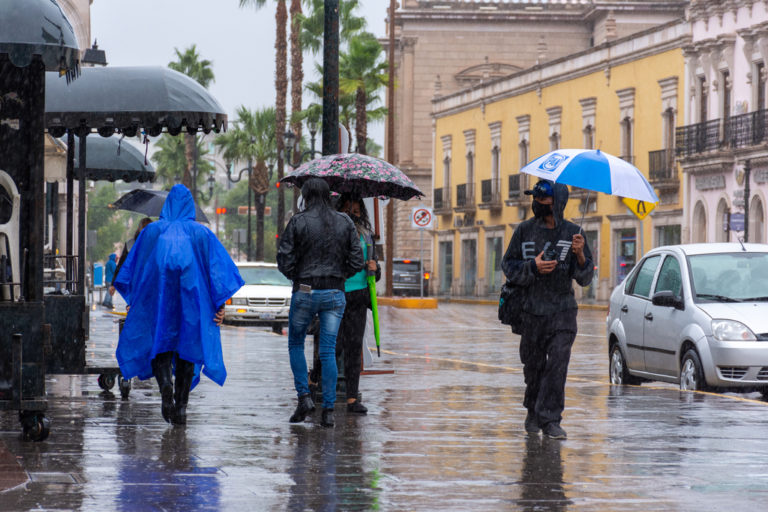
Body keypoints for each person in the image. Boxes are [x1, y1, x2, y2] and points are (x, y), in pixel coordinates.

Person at [113, 185, 244, 425]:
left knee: (161, 345)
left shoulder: (152, 231)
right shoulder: (201, 234)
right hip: (192, 303)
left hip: (159, 302)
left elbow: (135, 268)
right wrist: (220, 305)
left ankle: (165, 386)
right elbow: (218, 271)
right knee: (188, 350)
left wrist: (136, 301)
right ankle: (181, 405)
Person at [501, 179, 594, 440]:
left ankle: (551, 419)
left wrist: (580, 256)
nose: (540, 207)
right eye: (537, 203)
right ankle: (533, 409)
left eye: (546, 203)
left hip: (563, 311)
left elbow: (585, 278)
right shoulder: (524, 231)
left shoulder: (575, 233)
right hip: (531, 311)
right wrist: (532, 267)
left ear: (558, 205)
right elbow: (508, 266)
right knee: (533, 367)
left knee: (558, 364)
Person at [277, 178, 364, 428]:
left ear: (306, 196)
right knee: (327, 352)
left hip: (305, 289)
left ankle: (304, 396)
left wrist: (298, 276)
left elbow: (284, 258)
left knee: (295, 343)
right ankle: (327, 411)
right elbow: (357, 260)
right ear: (328, 195)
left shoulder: (298, 221)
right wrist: (339, 276)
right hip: (335, 293)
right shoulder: (345, 221)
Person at [335, 194, 380, 415]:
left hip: (359, 296)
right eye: (348, 208)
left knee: (354, 349)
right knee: (334, 347)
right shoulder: (334, 234)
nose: (353, 213)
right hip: (338, 295)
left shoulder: (368, 237)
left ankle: (352, 398)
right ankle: (315, 381)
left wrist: (373, 267)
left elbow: (376, 273)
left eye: (356, 209)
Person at [110, 217, 153, 299]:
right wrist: (113, 284)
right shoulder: (131, 244)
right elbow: (121, 265)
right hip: (137, 284)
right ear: (140, 229)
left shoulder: (156, 243)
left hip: (147, 284)